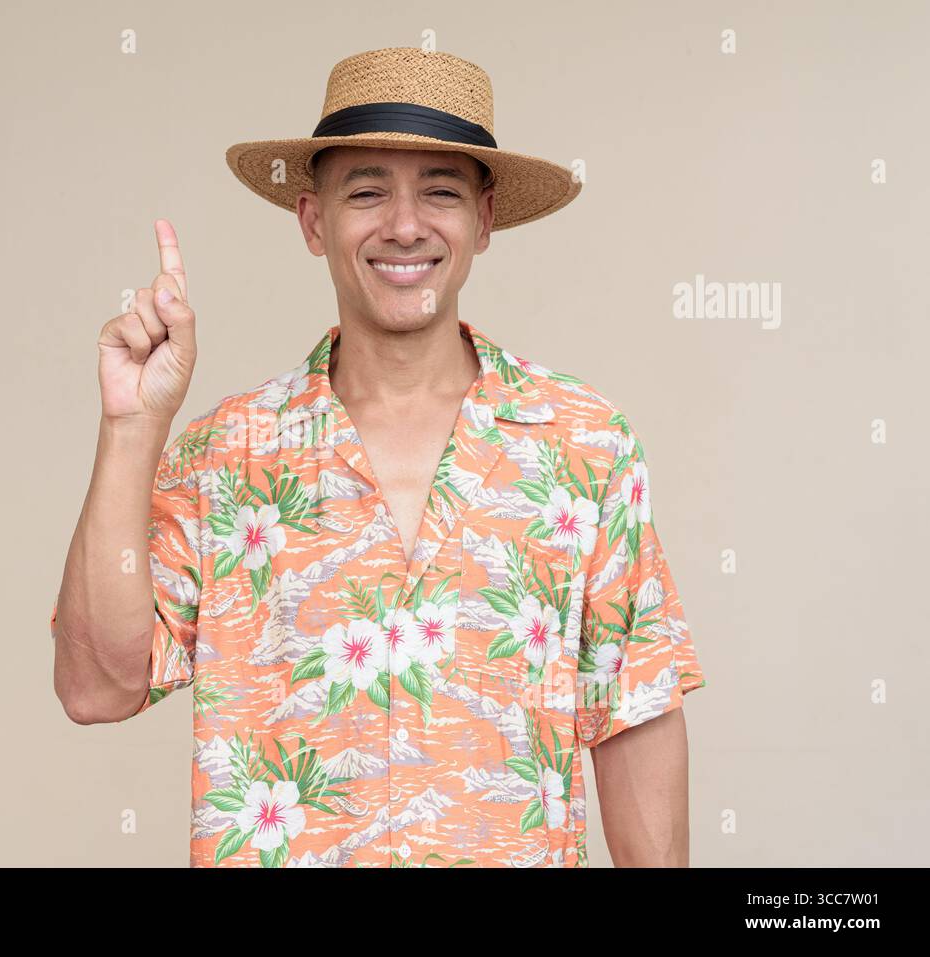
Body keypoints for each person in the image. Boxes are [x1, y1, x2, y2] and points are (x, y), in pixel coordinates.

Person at [51, 47, 707, 868]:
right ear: (313, 220)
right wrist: (131, 426)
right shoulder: (227, 455)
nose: (404, 224)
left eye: (441, 189)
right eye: (367, 191)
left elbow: (633, 713)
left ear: (485, 219)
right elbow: (94, 686)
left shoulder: (585, 446)